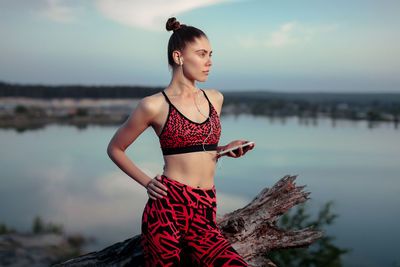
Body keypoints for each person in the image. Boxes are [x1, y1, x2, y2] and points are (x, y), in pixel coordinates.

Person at [107, 17, 255, 267]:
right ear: (179, 57)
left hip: (205, 209)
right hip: (168, 206)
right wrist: (147, 182)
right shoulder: (154, 105)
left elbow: (197, 149)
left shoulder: (214, 98)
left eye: (210, 54)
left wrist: (224, 149)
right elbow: (115, 148)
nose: (209, 62)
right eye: (201, 54)